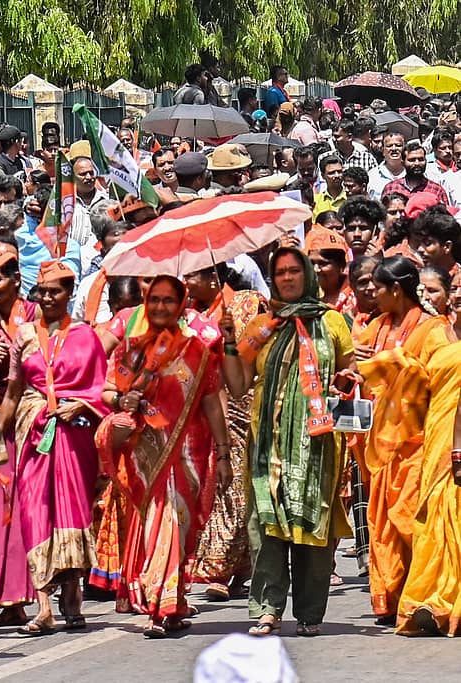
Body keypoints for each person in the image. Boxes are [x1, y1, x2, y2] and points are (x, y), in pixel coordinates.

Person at [220, 246, 355, 637]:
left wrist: (344, 381)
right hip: (270, 443)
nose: (288, 278)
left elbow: (350, 371)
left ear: (307, 274)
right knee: (266, 526)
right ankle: (267, 609)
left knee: (313, 524)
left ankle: (310, 613)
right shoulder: (262, 326)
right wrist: (229, 342)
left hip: (318, 444)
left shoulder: (332, 322)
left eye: (295, 270)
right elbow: (238, 384)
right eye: (280, 273)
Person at [95, 275, 230, 637]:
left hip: (190, 450)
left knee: (182, 524)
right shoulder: (133, 349)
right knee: (162, 519)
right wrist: (122, 400)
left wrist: (223, 453)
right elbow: (108, 390)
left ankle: (175, 601)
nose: (160, 307)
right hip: (148, 452)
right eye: (154, 299)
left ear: (182, 304)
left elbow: (211, 403)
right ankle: (160, 603)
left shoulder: (198, 350)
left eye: (169, 300)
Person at [0, 260, 108, 636]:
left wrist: (81, 405)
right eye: (42, 292)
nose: (48, 298)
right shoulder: (25, 334)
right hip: (33, 431)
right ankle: (43, 606)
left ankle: (73, 597)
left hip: (74, 433)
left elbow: (102, 388)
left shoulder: (86, 336)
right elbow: (13, 390)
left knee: (71, 512)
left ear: (69, 293)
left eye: (55, 291)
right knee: (35, 512)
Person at [353, 256, 451, 625]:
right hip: (380, 443)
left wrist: (397, 365)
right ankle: (392, 598)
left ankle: (426, 593)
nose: (371, 293)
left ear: (396, 289)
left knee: (410, 518)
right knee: (383, 522)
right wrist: (355, 366)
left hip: (418, 440)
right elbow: (357, 372)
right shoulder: (375, 327)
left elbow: (442, 379)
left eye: (377, 287)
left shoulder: (433, 329)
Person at [186, 266, 267, 601]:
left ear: (213, 278)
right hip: (206, 405)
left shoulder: (249, 304)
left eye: (192, 276)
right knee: (215, 484)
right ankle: (241, 567)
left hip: (242, 402)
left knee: (235, 486)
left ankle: (219, 567)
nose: (186, 283)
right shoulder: (191, 314)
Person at [0, 245, 38, 624]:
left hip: (31, 418)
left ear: (16, 278)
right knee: (0, 507)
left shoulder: (34, 314)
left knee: (31, 506)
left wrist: (18, 356)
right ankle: (8, 598)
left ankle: (41, 593)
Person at [394, 330, 461, 635]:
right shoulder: (433, 335)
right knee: (435, 516)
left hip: (455, 440)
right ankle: (433, 601)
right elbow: (417, 389)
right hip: (438, 440)